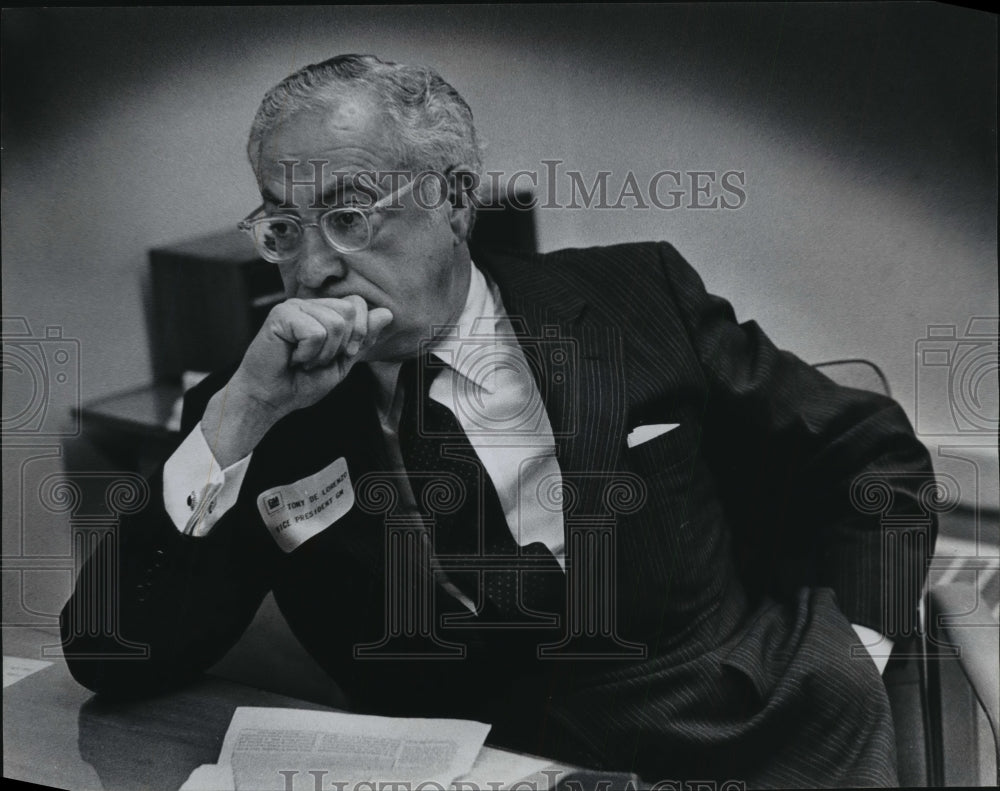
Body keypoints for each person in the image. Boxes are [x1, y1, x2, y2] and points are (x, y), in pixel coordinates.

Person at [61, 54, 937, 788]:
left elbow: (871, 456)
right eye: (284, 228)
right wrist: (237, 418)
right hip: (467, 768)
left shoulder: (637, 297)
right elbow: (111, 657)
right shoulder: (260, 407)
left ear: (453, 198)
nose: (316, 266)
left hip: (737, 731)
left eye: (350, 214)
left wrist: (859, 641)